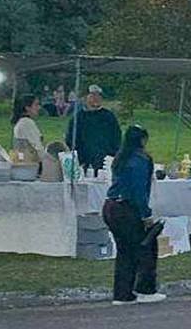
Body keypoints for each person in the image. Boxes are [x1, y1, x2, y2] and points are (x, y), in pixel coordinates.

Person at [103, 125, 166, 306]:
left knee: (125, 252)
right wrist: (146, 215)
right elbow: (138, 190)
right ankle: (145, 288)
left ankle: (122, 293)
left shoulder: (120, 158)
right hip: (127, 209)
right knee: (146, 247)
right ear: (143, 140)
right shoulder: (140, 160)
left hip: (111, 206)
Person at [65, 85, 122, 173]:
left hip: (105, 163)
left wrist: (112, 156)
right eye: (93, 95)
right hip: (84, 163)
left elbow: (117, 138)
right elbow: (71, 140)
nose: (96, 98)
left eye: (99, 96)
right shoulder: (78, 118)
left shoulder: (109, 117)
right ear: (85, 98)